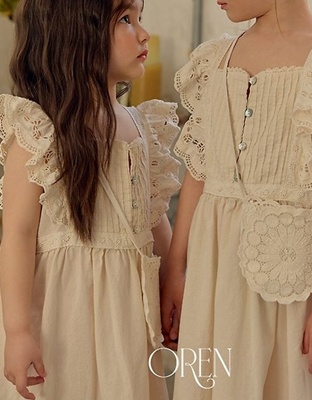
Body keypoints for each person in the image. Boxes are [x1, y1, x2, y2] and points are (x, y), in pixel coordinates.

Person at [161, 0, 312, 399]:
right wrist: (176, 271)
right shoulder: (214, 60)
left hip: (299, 285)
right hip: (217, 278)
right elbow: (198, 175)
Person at [0, 0, 180, 399]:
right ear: (77, 32)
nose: (144, 33)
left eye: (141, 18)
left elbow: (153, 218)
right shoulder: (39, 130)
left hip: (128, 312)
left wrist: (173, 285)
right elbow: (17, 234)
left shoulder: (142, 126)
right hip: (63, 315)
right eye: (125, 20)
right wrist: (17, 331)